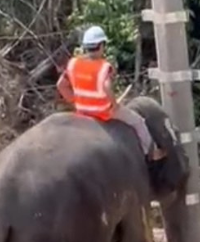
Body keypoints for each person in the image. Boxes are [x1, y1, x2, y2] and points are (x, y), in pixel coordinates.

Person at [57, 25, 164, 160]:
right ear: (101, 45)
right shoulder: (103, 67)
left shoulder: (73, 64)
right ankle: (153, 153)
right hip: (103, 112)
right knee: (138, 122)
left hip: (82, 111)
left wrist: (75, 101)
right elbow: (107, 87)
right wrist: (115, 105)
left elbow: (61, 85)